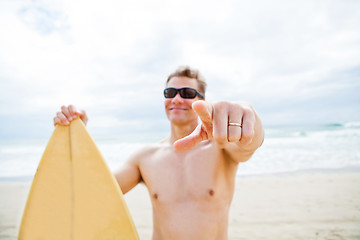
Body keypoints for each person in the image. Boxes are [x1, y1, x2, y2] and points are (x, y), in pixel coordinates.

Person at [54, 66, 264, 240]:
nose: (177, 99)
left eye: (188, 93)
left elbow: (249, 144)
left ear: (203, 100)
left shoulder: (221, 146)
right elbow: (95, 192)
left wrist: (247, 113)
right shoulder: (146, 157)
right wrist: (76, 135)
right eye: (170, 93)